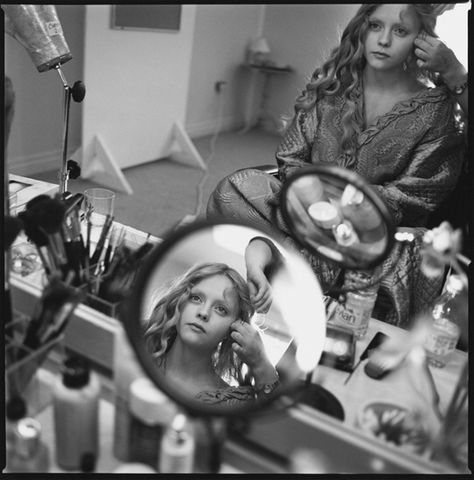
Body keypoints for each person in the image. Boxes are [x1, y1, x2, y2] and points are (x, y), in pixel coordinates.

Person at [207, 4, 466, 328]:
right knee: (236, 188)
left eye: (400, 31)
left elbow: (419, 193)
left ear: (422, 40)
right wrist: (315, 200)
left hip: (377, 232)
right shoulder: (331, 86)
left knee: (410, 252)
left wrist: (348, 206)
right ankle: (302, 264)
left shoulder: (436, 109)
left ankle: (290, 263)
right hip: (306, 210)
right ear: (362, 28)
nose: (383, 40)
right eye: (375, 26)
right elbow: (291, 157)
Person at [143, 262, 280, 406]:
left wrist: (261, 363)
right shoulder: (137, 350)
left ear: (233, 330)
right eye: (196, 298)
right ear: (179, 303)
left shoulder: (233, 403)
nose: (203, 313)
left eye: (221, 309)